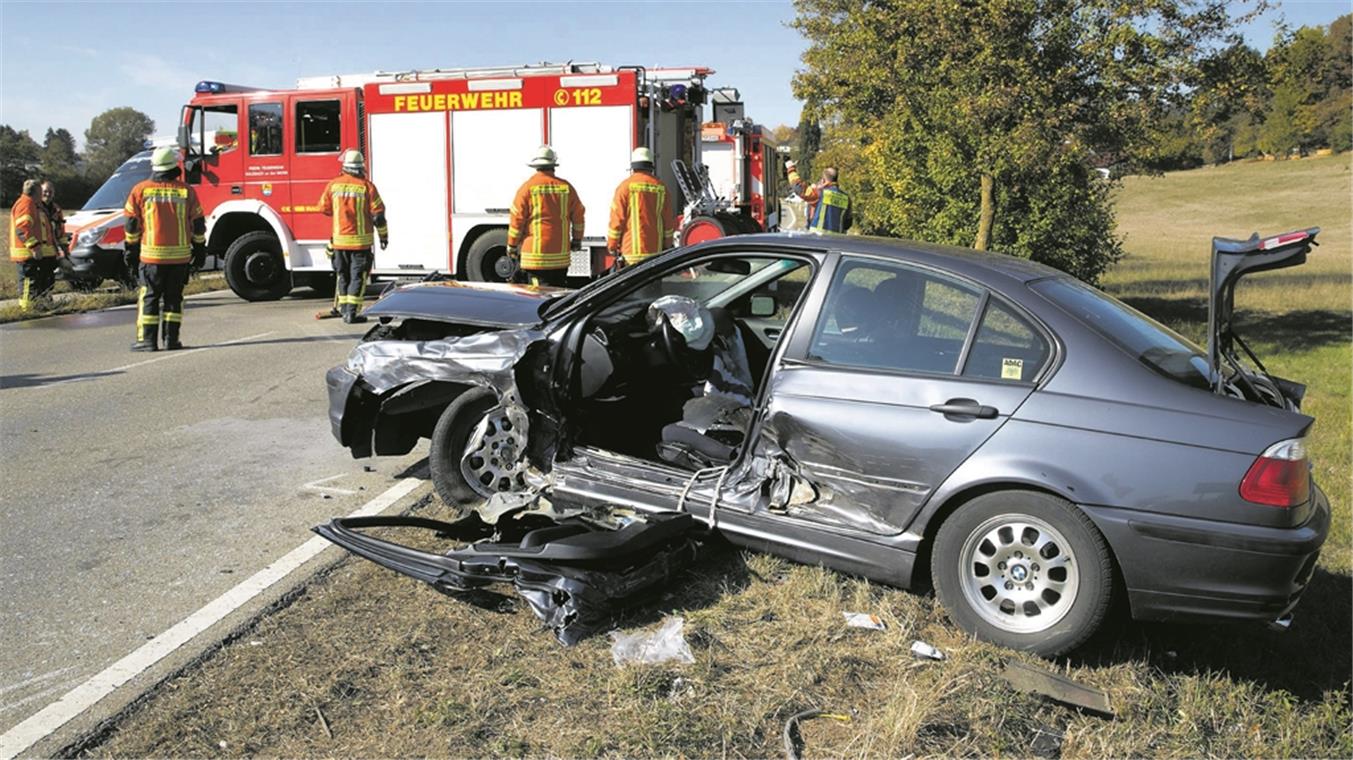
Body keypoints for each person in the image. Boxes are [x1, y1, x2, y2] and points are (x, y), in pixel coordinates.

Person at [123, 146, 207, 351]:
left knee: (150, 297)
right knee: (173, 300)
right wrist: (199, 248)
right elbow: (198, 224)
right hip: (179, 258)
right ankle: (171, 340)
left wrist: (131, 250)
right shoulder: (186, 191)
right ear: (174, 166)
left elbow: (132, 225)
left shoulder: (140, 190)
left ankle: (148, 341)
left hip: (151, 257)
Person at [316, 149, 388, 323]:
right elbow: (378, 216)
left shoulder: (334, 185)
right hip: (360, 244)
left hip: (339, 242)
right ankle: (352, 313)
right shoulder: (366, 187)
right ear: (361, 166)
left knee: (343, 276)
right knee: (358, 277)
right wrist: (383, 237)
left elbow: (322, 208)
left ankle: (343, 309)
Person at [507, 145, 585, 287]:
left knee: (538, 298)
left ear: (536, 167)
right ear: (553, 166)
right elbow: (579, 216)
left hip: (536, 258)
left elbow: (517, 220)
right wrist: (577, 240)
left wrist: (512, 244)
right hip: (560, 258)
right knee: (557, 295)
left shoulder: (527, 188)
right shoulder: (566, 187)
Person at [606, 147, 676, 269]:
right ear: (651, 166)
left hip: (631, 254)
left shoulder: (624, 187)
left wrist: (612, 245)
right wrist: (667, 244)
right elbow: (668, 221)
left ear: (633, 167)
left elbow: (617, 220)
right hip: (655, 253)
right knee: (654, 287)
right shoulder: (661, 188)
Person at [9, 179, 58, 310]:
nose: (43, 195)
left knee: (37, 283)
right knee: (28, 285)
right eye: (41, 192)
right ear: (36, 192)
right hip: (27, 254)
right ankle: (27, 310)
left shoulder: (32, 204)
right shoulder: (26, 204)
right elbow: (23, 229)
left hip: (33, 254)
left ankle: (38, 307)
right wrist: (34, 247)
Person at [801, 167, 852, 233]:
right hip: (838, 240)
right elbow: (848, 223)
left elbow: (798, 188)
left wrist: (789, 165)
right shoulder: (847, 198)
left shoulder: (820, 193)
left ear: (823, 180)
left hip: (817, 237)